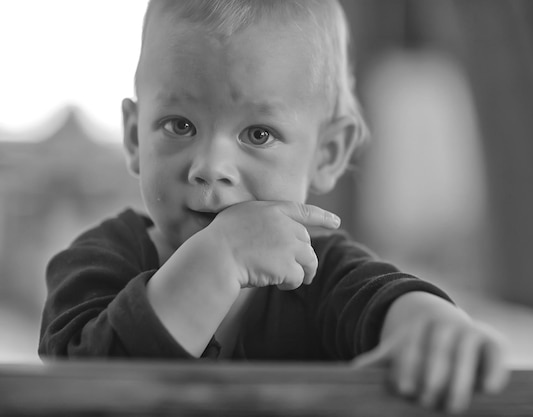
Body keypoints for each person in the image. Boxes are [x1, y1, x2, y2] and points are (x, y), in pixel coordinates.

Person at [39, 0, 509, 412]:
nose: (210, 166)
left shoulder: (322, 270)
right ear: (133, 136)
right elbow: (84, 391)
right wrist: (218, 259)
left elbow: (389, 300)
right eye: (179, 125)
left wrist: (436, 327)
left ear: (327, 153)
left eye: (258, 134)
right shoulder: (98, 261)